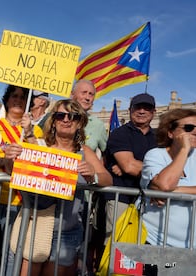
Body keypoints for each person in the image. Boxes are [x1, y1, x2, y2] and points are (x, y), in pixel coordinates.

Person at [19, 99, 112, 276]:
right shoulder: (40, 146)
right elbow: (17, 171)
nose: (66, 120)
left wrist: (93, 175)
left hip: (66, 230)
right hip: (37, 224)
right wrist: (13, 156)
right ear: (53, 121)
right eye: (61, 115)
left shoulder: (85, 152)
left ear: (80, 123)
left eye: (73, 116)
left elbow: (108, 180)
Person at [0, 85, 43, 276]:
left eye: (23, 97)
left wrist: (28, 134)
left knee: (9, 254)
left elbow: (38, 163)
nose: (18, 100)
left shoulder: (35, 132)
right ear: (7, 99)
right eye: (14, 95)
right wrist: (4, 162)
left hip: (19, 203)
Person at [103, 93, 157, 246]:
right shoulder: (120, 133)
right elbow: (130, 166)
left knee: (145, 246)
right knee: (117, 245)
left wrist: (132, 165)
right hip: (122, 197)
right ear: (129, 110)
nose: (141, 111)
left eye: (147, 108)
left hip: (150, 200)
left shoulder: (159, 137)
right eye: (137, 107)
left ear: (154, 112)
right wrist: (160, 174)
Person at [141, 108, 196, 248]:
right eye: (189, 128)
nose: (194, 132)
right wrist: (184, 150)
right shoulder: (155, 155)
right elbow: (165, 185)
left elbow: (165, 189)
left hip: (190, 247)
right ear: (170, 132)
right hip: (155, 242)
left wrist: (173, 191)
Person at [70, 79, 107, 273]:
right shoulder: (54, 117)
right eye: (83, 92)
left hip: (80, 200)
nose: (87, 97)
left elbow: (107, 155)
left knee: (74, 252)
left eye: (91, 94)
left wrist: (96, 174)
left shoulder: (98, 126)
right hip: (50, 197)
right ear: (72, 95)